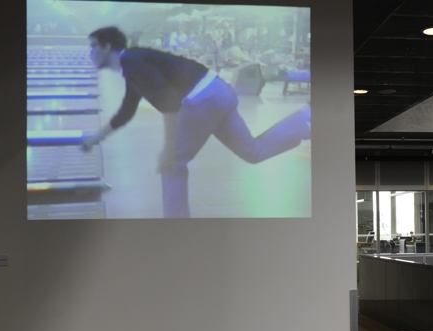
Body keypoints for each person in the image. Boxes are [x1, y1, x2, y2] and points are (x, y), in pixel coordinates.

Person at [83, 26, 311, 218]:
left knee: (172, 165)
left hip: (203, 98)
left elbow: (170, 104)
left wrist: (169, 150)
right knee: (253, 151)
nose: (90, 52)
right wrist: (97, 137)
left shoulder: (132, 62)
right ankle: (307, 118)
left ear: (107, 47)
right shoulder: (134, 63)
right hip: (219, 91)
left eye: (93, 46)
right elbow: (126, 109)